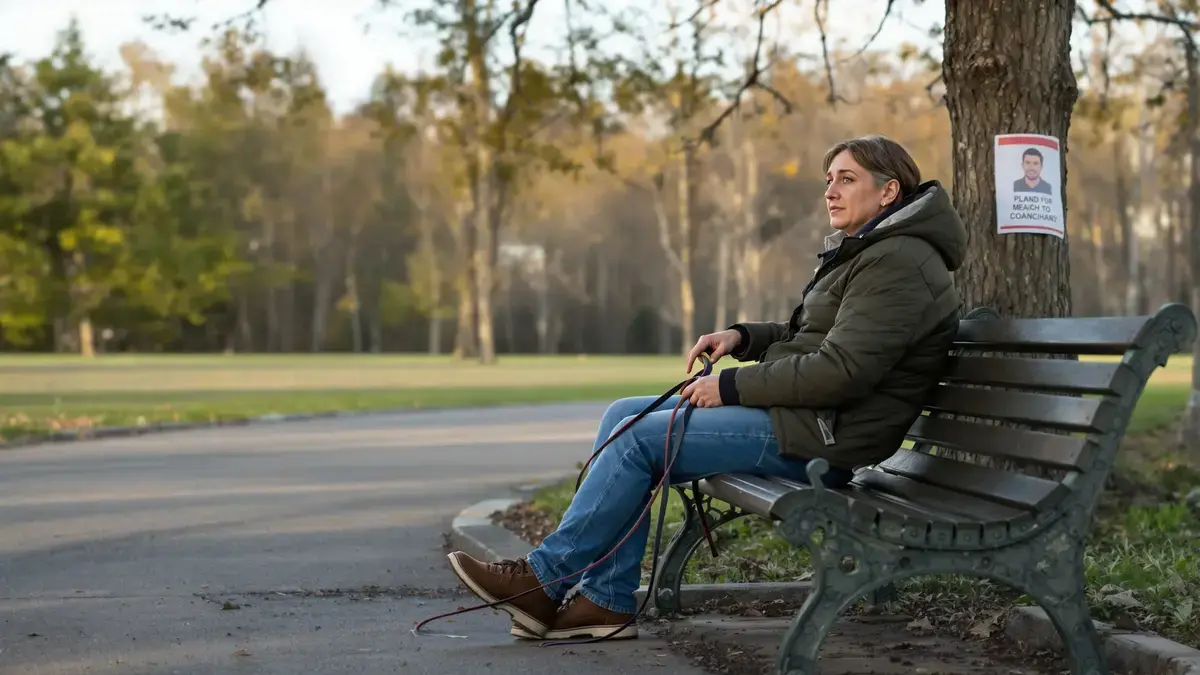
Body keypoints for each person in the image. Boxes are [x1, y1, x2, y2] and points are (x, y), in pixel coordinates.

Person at [445, 134, 967, 642]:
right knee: (623, 413)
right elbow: (809, 337)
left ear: (889, 191)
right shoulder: (871, 251)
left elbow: (841, 370)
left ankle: (544, 577)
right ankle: (604, 597)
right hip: (807, 420)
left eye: (846, 179)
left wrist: (732, 387)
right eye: (828, 179)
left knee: (639, 437)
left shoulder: (899, 261)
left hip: (826, 437)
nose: (830, 191)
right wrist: (744, 337)